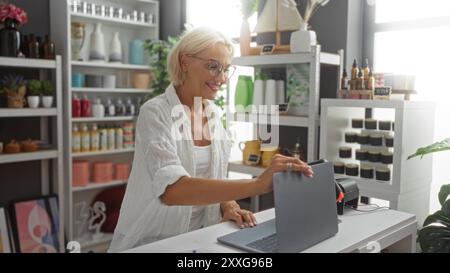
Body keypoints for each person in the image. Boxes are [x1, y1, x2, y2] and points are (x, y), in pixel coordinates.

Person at [108, 27, 313, 252]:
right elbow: (172, 190)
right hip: (152, 242)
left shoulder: (213, 114)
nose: (222, 78)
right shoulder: (156, 113)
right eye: (213, 67)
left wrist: (228, 205)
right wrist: (256, 185)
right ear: (185, 62)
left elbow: (211, 175)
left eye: (226, 69)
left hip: (198, 239)